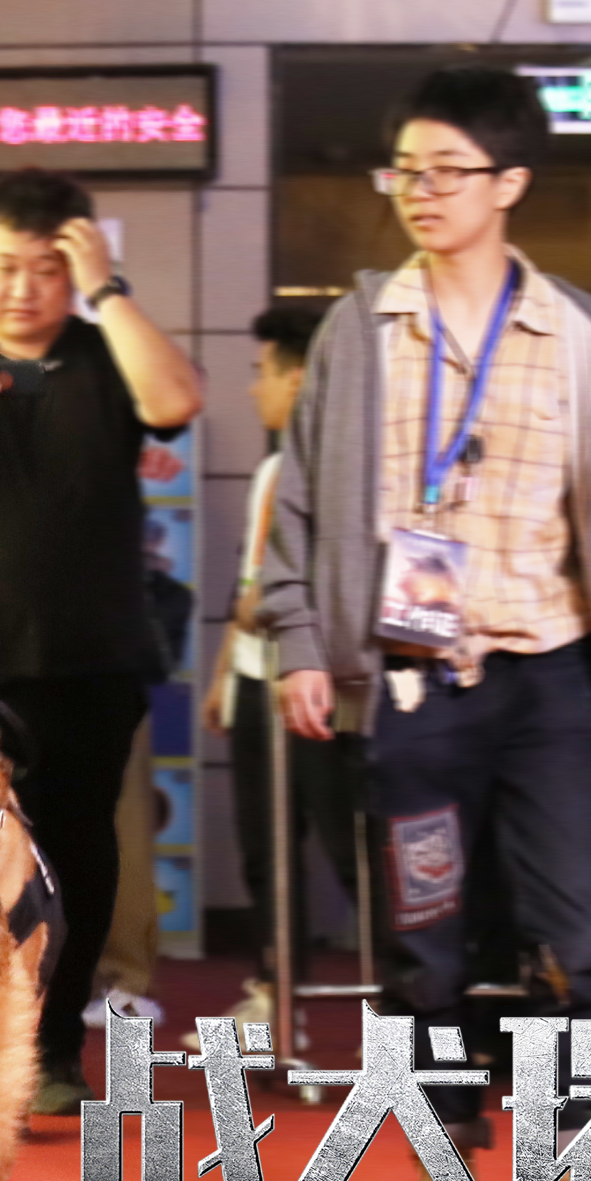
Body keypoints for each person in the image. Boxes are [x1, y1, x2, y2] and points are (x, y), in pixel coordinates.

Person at [263, 66, 591, 1181]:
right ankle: (444, 1173)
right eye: (406, 169)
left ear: (511, 185)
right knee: (424, 941)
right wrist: (304, 639)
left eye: (448, 171)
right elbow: (297, 506)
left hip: (557, 680)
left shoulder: (586, 338)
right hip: (410, 683)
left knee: (586, 937)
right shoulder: (360, 328)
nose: (421, 192)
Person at [0, 168, 202, 1115]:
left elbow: (176, 402)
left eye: (50, 269)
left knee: (82, 857)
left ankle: (54, 1047)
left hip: (95, 656)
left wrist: (112, 290)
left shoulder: (108, 353)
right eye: (7, 266)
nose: (24, 288)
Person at [212, 302, 358, 954]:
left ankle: (400, 1010)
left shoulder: (341, 472)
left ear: (297, 379)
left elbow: (264, 597)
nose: (252, 388)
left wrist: (260, 609)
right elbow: (250, 586)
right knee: (267, 852)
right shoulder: (275, 469)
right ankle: (276, 990)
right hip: (256, 681)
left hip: (319, 683)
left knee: (345, 848)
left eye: (261, 372)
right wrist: (224, 674)